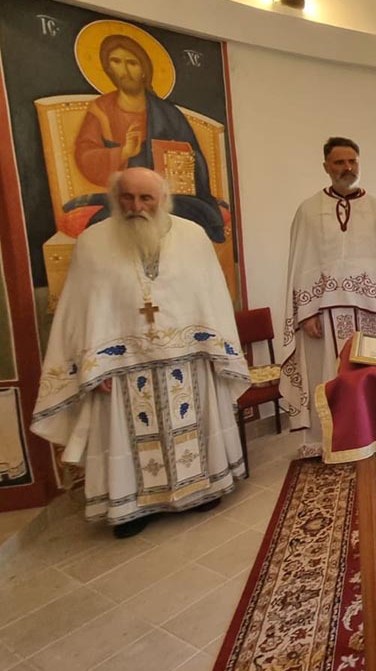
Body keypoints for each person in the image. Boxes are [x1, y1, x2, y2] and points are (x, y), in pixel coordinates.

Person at [31, 167, 246, 538]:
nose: (136, 206)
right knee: (127, 438)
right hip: (122, 368)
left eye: (146, 198)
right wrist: (91, 368)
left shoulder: (193, 237)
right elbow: (79, 311)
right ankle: (131, 508)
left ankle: (201, 490)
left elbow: (212, 297)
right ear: (116, 199)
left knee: (194, 427)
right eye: (127, 197)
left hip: (189, 359)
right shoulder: (93, 242)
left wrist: (216, 351)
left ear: (163, 199)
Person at [280, 137, 376, 457]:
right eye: (339, 162)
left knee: (371, 375)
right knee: (328, 376)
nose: (347, 168)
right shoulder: (308, 210)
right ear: (326, 166)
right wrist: (305, 312)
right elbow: (301, 264)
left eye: (352, 161)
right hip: (324, 315)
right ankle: (329, 440)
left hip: (373, 313)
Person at [72, 33, 227, 242]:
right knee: (102, 227)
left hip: (172, 197)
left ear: (144, 69)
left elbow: (195, 158)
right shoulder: (101, 110)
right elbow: (85, 156)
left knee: (190, 219)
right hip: (124, 198)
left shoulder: (168, 114)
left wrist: (181, 162)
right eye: (116, 62)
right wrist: (124, 152)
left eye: (132, 63)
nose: (125, 70)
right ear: (107, 68)